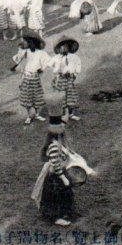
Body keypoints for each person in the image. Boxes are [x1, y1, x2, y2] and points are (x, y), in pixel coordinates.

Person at [31, 93, 77, 227]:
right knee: (57, 196)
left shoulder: (57, 144)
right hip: (56, 177)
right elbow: (56, 165)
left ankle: (65, 212)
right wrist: (63, 177)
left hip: (58, 174)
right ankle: (57, 216)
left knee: (64, 194)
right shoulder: (54, 147)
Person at [11, 31, 51, 125]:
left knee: (36, 96)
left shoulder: (41, 53)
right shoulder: (24, 52)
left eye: (24, 41)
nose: (22, 43)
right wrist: (20, 50)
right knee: (27, 98)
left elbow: (48, 61)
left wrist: (42, 68)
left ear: (30, 42)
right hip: (26, 78)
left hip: (35, 78)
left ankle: (36, 113)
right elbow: (17, 60)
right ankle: (30, 115)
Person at [48, 36, 82, 122]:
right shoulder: (56, 58)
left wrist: (75, 74)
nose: (63, 49)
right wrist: (57, 68)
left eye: (65, 46)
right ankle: (62, 114)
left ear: (69, 47)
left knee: (70, 97)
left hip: (70, 79)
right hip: (60, 79)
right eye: (61, 47)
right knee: (61, 97)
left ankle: (71, 114)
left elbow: (78, 65)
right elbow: (51, 65)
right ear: (59, 48)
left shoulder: (74, 57)